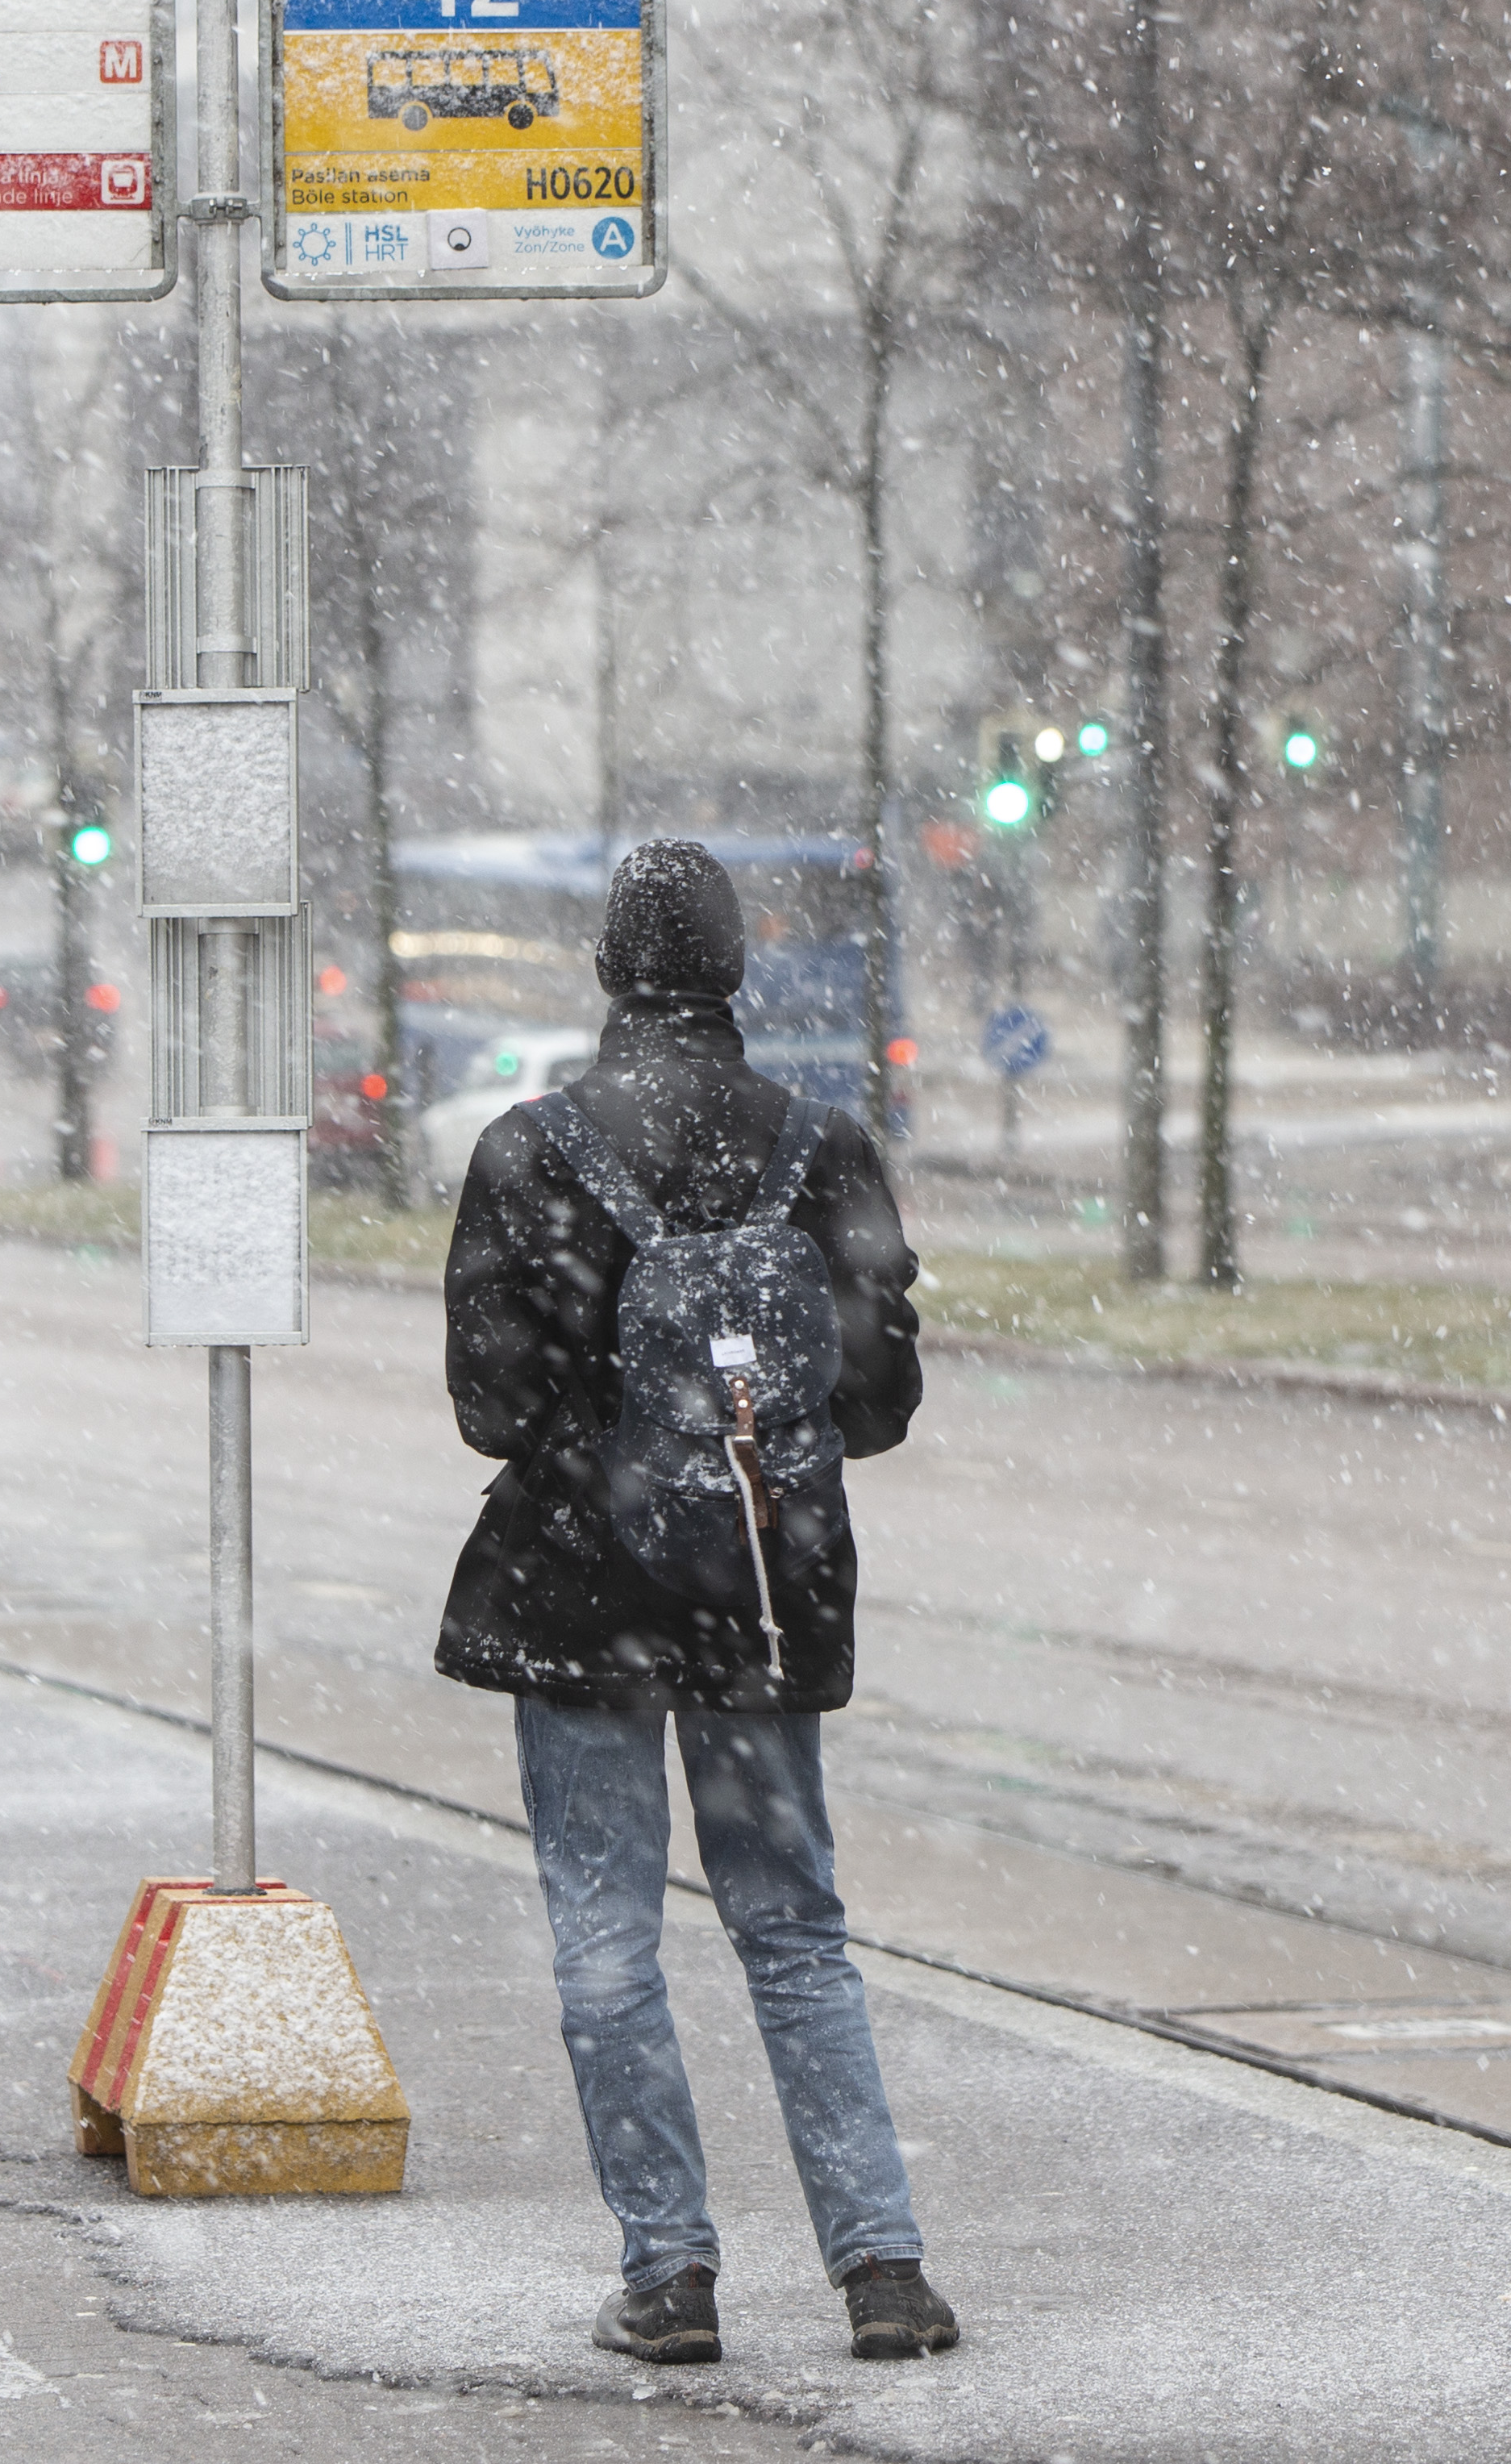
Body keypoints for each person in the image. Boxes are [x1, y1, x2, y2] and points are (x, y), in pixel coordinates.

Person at [432, 839, 959, 2370]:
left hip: (583, 1602)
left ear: (607, 969)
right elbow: (875, 1400)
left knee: (607, 1940)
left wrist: (611, 1438)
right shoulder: (823, 1143)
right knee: (793, 1931)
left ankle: (668, 2276)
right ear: (735, 967)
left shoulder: (530, 1149)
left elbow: (488, 1403)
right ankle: (882, 2271)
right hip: (760, 1594)